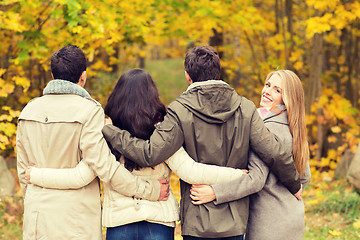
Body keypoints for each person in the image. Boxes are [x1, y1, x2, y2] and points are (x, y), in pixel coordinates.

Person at [101, 46, 302, 239]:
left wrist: (110, 131)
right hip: (234, 220)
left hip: (197, 219)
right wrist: (294, 184)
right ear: (218, 71)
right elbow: (274, 152)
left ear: (188, 76)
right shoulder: (245, 107)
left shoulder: (179, 110)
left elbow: (150, 154)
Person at [25, 68, 248, 240]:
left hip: (119, 220)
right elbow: (189, 170)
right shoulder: (162, 127)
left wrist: (35, 175)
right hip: (158, 219)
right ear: (152, 94)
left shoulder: (105, 126)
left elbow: (90, 171)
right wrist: (238, 175)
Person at [16, 45, 169, 240]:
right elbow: (105, 168)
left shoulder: (28, 111)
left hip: (36, 219)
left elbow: (24, 173)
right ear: (83, 76)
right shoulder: (89, 111)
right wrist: (151, 190)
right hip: (76, 220)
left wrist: (33, 203)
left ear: (53, 76)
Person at [190, 70, 311, 240]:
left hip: (268, 225)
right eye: (268, 85)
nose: (267, 91)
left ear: (288, 98)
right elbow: (305, 176)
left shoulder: (265, 128)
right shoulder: (294, 128)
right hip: (293, 218)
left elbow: (256, 180)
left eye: (277, 90)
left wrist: (215, 192)